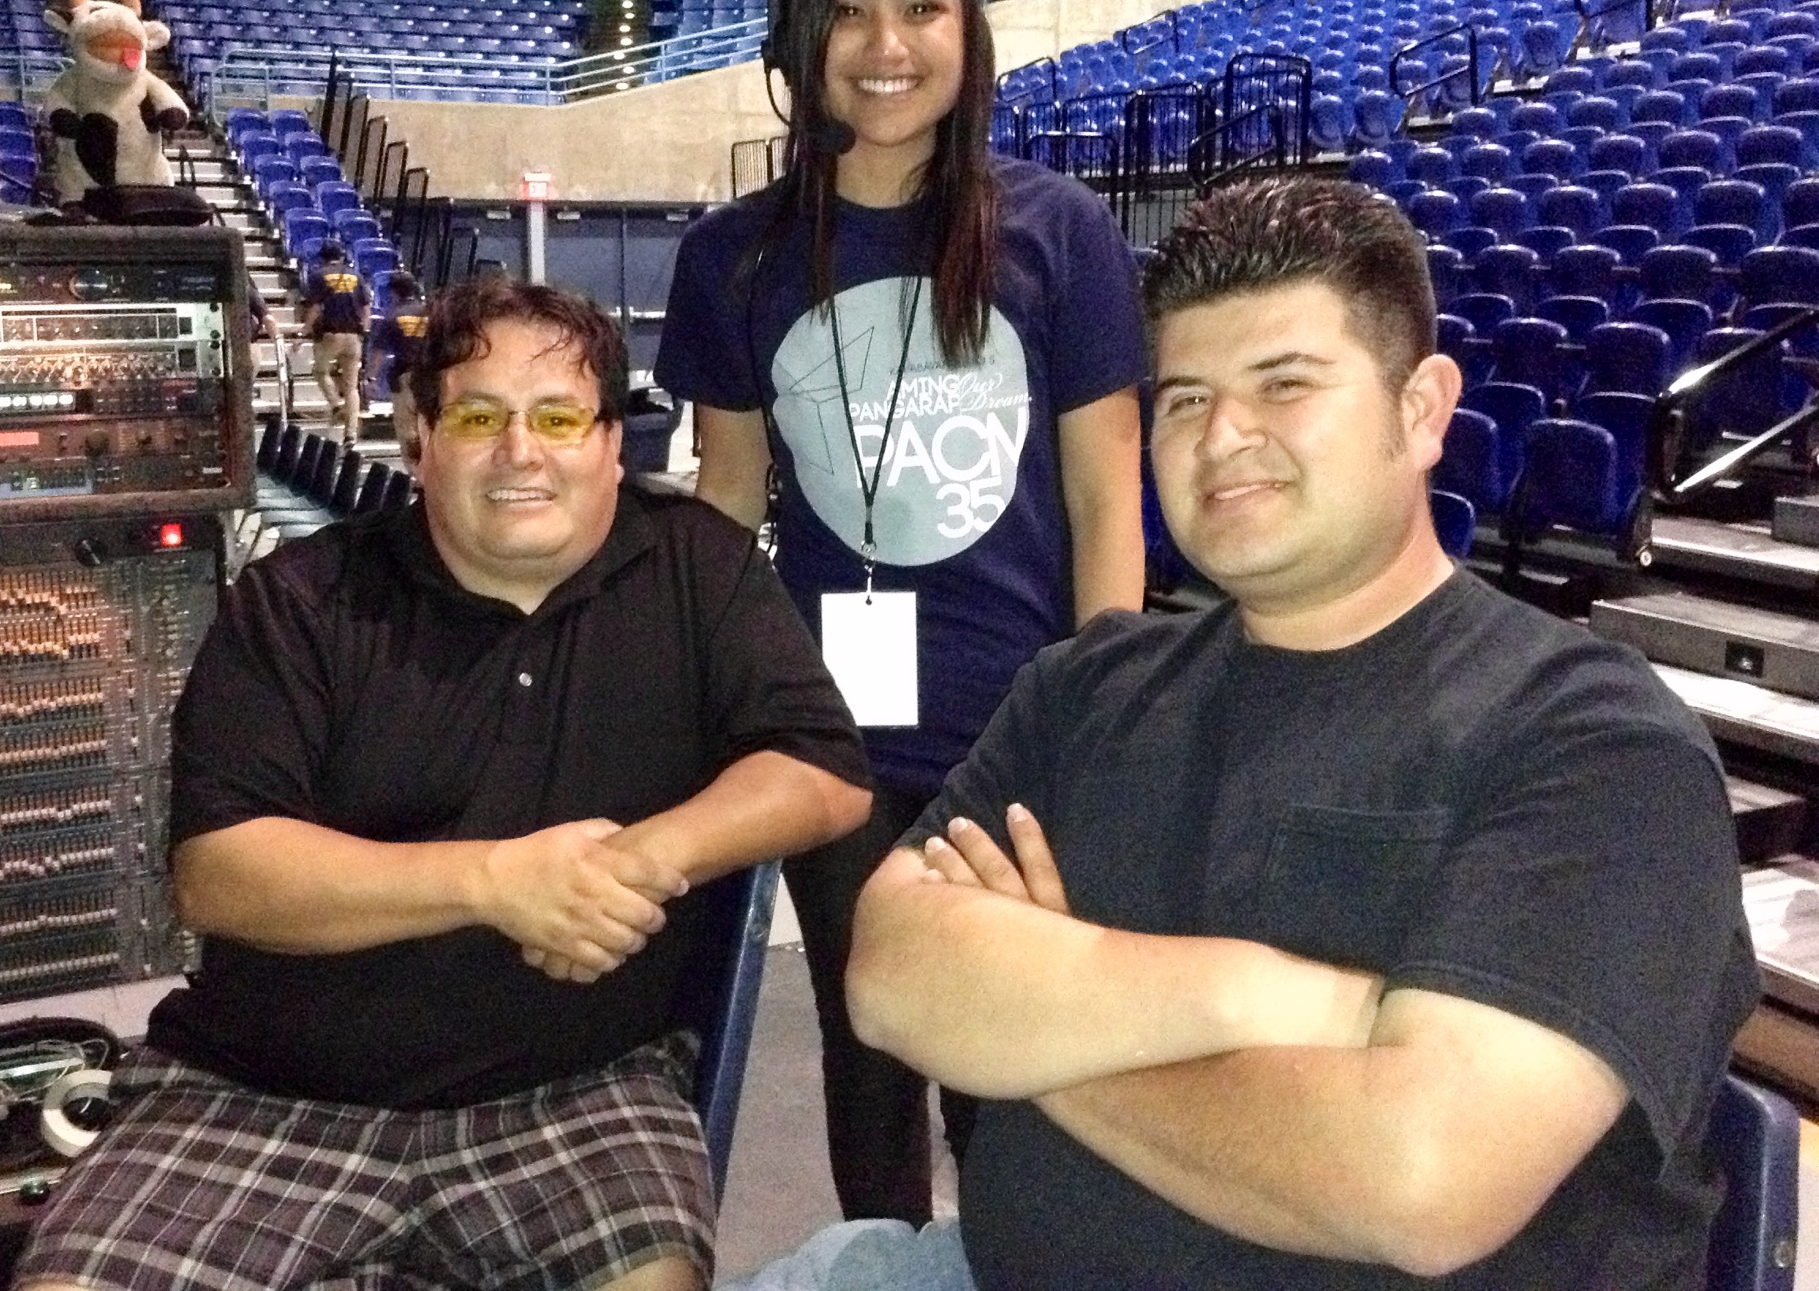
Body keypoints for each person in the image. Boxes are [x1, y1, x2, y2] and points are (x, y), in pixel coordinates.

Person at [736, 176, 1757, 1289]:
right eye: (1184, 398)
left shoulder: (1596, 743)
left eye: (1284, 383)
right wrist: (1261, 993)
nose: (1222, 435)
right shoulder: (1084, 687)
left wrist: (1028, 1029)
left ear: (1421, 409)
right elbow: (890, 974)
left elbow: (1419, 1180)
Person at [14, 278, 875, 1291]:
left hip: (579, 1092)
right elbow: (221, 875)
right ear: (420, 439)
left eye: (558, 417)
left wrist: (637, 858)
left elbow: (824, 769)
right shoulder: (299, 601)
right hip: (262, 1092)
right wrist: (497, 882)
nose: (521, 451)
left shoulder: (697, 567)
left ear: (611, 442)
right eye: (477, 417)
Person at [654, 0, 1147, 1224]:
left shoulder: (1059, 231)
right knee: (867, 1047)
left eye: (922, 7)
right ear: (801, 30)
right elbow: (726, 501)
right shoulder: (732, 258)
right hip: (832, 739)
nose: (885, 45)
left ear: (967, 30)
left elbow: (1106, 497)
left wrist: (1096, 716)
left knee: (1010, 1068)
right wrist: (704, 706)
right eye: (849, 8)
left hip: (1020, 728)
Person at [300, 239, 370, 443]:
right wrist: (364, 331)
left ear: (323, 257)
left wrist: (303, 332)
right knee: (351, 387)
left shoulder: (318, 276)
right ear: (341, 257)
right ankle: (351, 434)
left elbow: (316, 308)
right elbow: (366, 308)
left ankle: (336, 404)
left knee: (320, 371)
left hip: (331, 334)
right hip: (354, 336)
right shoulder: (356, 275)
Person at [376, 270, 429, 459]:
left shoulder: (392, 316)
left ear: (393, 292)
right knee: (427, 422)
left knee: (406, 426)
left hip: (405, 376)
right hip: (430, 375)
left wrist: (371, 376)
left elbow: (378, 350)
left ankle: (413, 469)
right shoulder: (431, 313)